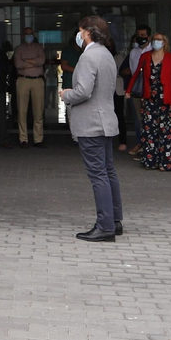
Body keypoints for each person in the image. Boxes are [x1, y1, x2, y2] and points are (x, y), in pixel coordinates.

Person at [63, 16, 123, 241]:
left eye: (79, 31)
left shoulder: (88, 56)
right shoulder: (106, 53)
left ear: (88, 32)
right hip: (106, 121)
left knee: (98, 175)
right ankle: (114, 220)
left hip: (91, 124)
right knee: (108, 172)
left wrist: (66, 94)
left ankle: (105, 226)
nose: (77, 36)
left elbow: (84, 91)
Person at [125, 33, 171, 171]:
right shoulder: (145, 56)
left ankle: (167, 163)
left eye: (160, 39)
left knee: (167, 131)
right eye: (155, 39)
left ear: (165, 42)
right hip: (149, 98)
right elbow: (137, 73)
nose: (157, 42)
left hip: (166, 100)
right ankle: (151, 161)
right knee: (149, 131)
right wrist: (129, 90)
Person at [12, 26, 46, 147]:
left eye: (31, 34)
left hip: (37, 80)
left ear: (34, 35)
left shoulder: (39, 48)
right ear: (23, 36)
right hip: (23, 80)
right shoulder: (19, 49)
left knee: (38, 111)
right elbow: (18, 64)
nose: (29, 36)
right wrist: (34, 62)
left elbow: (41, 61)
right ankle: (23, 139)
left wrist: (26, 61)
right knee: (22, 111)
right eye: (26, 34)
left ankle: (38, 139)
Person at [122, 25, 150, 156]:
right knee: (138, 119)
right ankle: (140, 144)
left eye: (143, 35)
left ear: (149, 36)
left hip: (151, 90)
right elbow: (134, 72)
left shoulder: (153, 50)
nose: (141, 38)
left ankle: (150, 146)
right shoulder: (133, 52)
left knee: (150, 119)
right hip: (138, 90)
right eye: (139, 35)